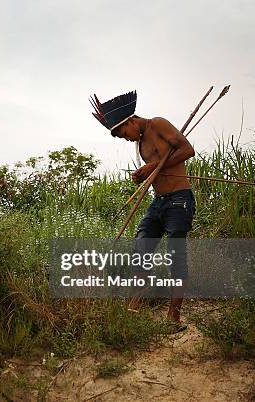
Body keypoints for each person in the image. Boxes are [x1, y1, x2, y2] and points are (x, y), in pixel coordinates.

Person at [90, 90, 196, 329]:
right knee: (141, 251)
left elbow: (188, 150)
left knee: (176, 257)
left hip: (179, 199)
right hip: (158, 202)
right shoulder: (138, 143)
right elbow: (153, 171)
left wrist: (153, 166)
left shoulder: (158, 124)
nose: (123, 138)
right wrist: (142, 175)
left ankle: (173, 318)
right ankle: (132, 311)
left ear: (131, 121)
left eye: (121, 133)